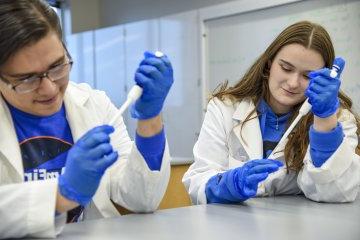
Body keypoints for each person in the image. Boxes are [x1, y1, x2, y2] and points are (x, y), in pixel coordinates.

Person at [0, 0, 173, 238]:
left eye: (57, 66)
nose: (50, 89)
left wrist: (150, 117)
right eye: (28, 79)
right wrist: (61, 195)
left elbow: (142, 199)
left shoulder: (94, 103)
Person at [183, 21, 360, 205]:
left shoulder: (337, 119)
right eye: (286, 68)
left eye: (308, 76)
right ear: (269, 65)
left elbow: (336, 193)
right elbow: (198, 182)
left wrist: (324, 121)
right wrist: (228, 185)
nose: (293, 83)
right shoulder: (225, 108)